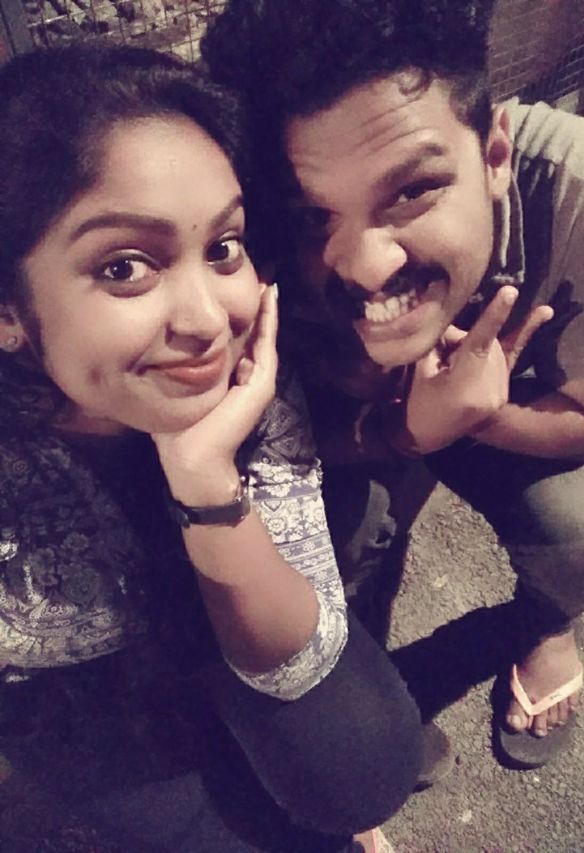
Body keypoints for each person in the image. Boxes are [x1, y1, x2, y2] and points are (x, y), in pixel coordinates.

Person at [0, 43, 424, 853]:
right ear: (8, 310)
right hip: (87, 713)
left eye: (224, 246)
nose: (206, 320)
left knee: (356, 764)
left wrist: (204, 478)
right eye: (125, 265)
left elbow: (305, 676)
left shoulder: (244, 374)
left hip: (222, 630)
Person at [201, 0, 584, 770]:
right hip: (356, 423)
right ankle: (364, 705)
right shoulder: (245, 238)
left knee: (582, 534)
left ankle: (544, 621)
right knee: (317, 554)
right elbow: (263, 446)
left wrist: (476, 414)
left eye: (412, 191)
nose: (368, 266)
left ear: (495, 154)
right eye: (313, 219)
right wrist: (401, 428)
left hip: (504, 408)